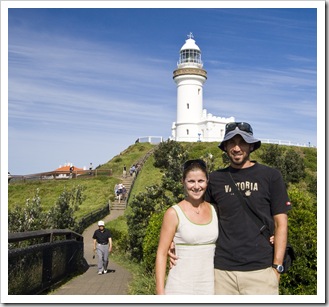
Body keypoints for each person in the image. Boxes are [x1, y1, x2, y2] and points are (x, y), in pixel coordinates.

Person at [170, 122, 291, 295]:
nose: (236, 148)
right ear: (225, 147)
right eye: (231, 143)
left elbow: (281, 223)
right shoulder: (215, 179)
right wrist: (174, 240)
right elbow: (196, 213)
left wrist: (277, 267)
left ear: (251, 145)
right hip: (221, 272)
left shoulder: (271, 176)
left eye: (242, 142)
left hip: (261, 271)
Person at [156, 159, 218, 295]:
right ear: (183, 181)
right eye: (191, 181)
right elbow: (161, 253)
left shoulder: (215, 210)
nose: (196, 186)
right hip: (180, 286)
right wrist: (160, 293)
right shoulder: (173, 213)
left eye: (200, 181)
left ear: (207, 181)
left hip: (210, 286)